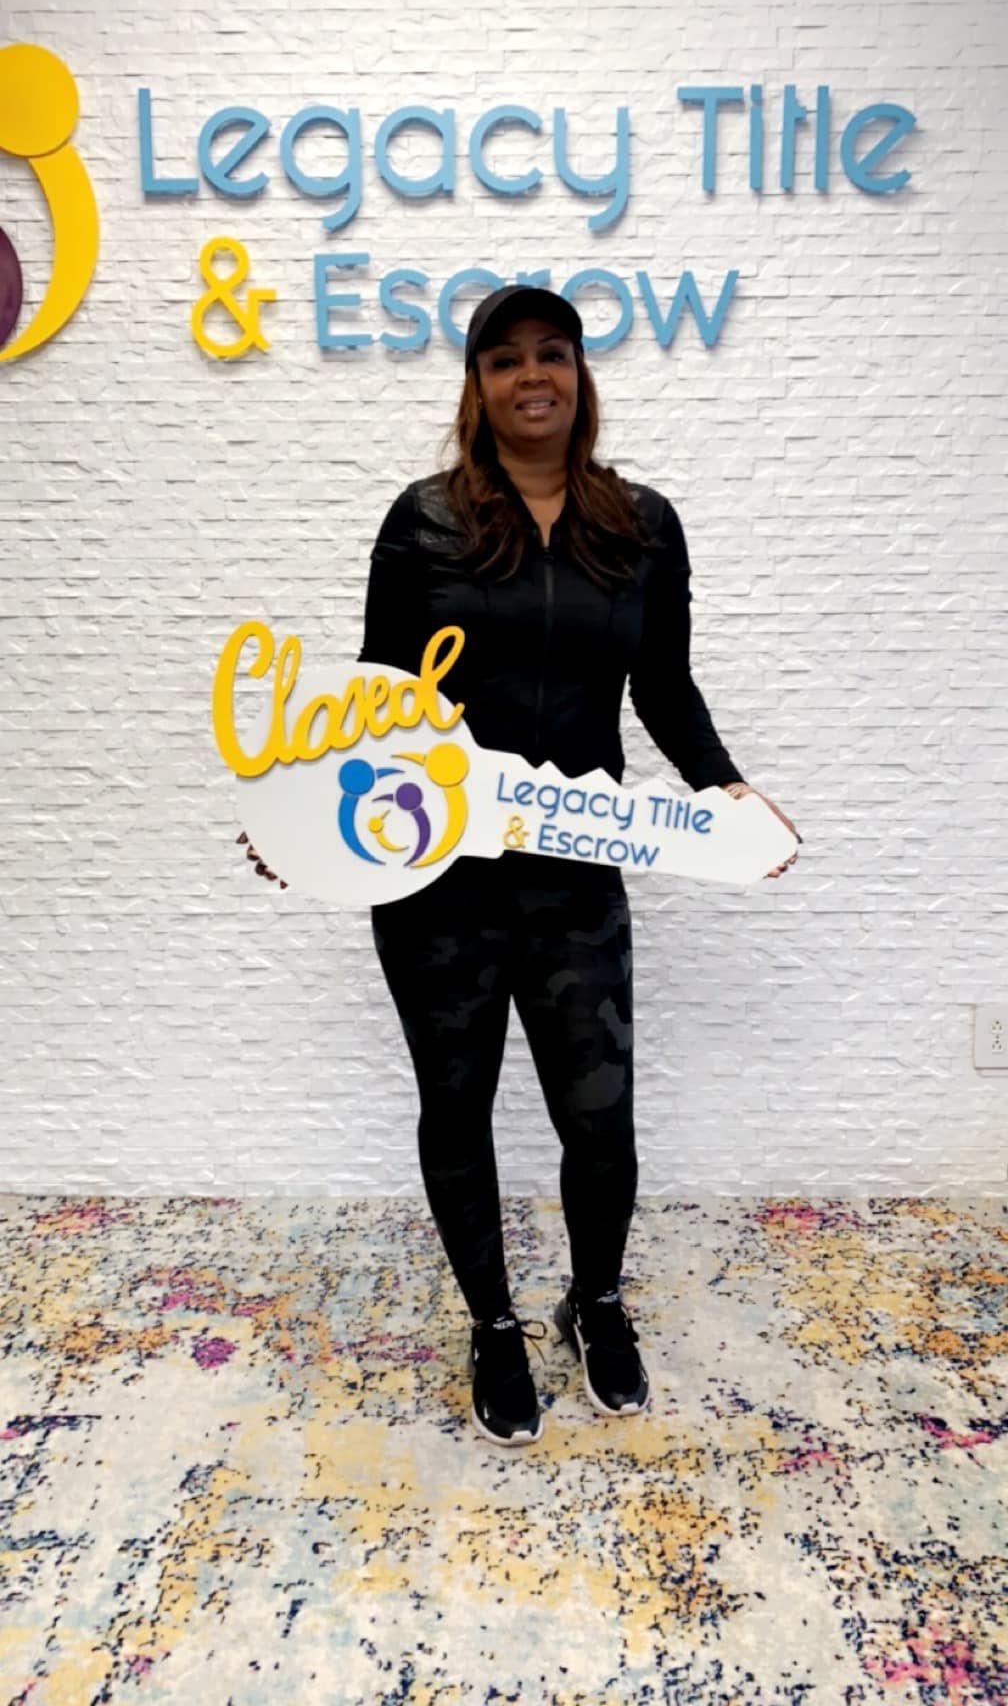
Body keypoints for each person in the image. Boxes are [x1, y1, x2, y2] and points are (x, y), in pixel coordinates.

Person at [240, 284, 800, 1449]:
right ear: (478, 385)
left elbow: (665, 686)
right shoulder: (425, 519)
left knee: (600, 1120)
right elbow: (373, 697)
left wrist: (727, 792)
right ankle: (493, 1322)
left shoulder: (641, 523)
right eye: (505, 358)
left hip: (575, 876)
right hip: (435, 875)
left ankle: (594, 1302)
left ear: (581, 374)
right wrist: (302, 820)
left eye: (553, 353)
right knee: (459, 1103)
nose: (531, 375)